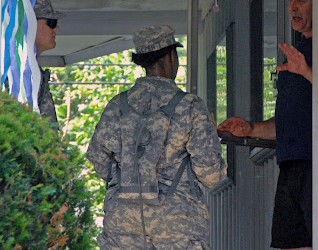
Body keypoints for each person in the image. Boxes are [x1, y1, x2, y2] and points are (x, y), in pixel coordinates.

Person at [87, 25, 227, 250]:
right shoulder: (190, 106)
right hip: (177, 224)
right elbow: (210, 174)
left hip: (124, 220)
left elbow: (98, 160)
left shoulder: (117, 106)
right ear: (172, 56)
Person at [218, 0, 314, 250]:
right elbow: (289, 120)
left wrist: (307, 71)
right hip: (291, 164)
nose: (293, 7)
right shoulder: (296, 52)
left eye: (302, 0)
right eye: (290, 0)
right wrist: (251, 129)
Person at [34, 0, 65, 126]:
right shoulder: (13, 73)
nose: (56, 28)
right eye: (51, 23)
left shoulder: (33, 70)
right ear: (29, 23)